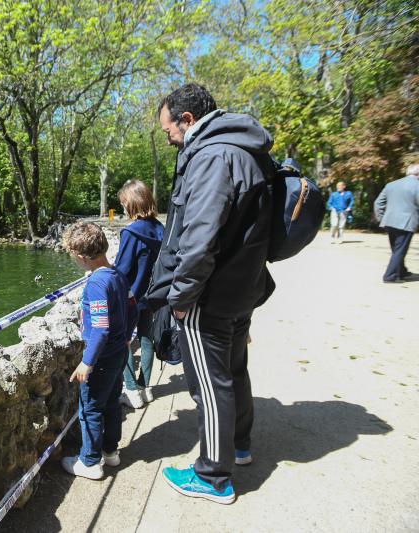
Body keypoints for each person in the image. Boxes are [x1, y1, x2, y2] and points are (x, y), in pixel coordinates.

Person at [148, 83, 275, 504]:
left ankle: (212, 477)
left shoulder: (211, 157)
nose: (168, 139)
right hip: (243, 288)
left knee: (208, 382)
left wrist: (182, 298)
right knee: (234, 370)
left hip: (209, 295)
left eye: (169, 131)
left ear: (187, 120)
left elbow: (198, 239)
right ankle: (239, 446)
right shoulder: (246, 150)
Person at [61, 221, 138, 480]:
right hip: (119, 352)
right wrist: (127, 336)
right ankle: (110, 451)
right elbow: (133, 307)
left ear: (82, 257)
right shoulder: (117, 275)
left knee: (91, 407)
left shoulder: (96, 284)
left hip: (102, 356)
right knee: (112, 402)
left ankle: (90, 461)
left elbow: (101, 328)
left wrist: (87, 362)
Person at [114, 180, 164, 409]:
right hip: (153, 295)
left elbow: (122, 269)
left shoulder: (131, 232)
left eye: (124, 203)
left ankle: (132, 390)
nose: (123, 208)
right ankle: (145, 388)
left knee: (120, 340)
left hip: (131, 296)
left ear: (133, 203)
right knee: (146, 339)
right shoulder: (159, 228)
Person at [374, 164, 419, 283]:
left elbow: (378, 203)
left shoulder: (391, 184)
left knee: (396, 249)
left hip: (389, 221)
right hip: (407, 222)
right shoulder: (417, 186)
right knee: (400, 250)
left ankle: (401, 271)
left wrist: (381, 218)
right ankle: (390, 276)